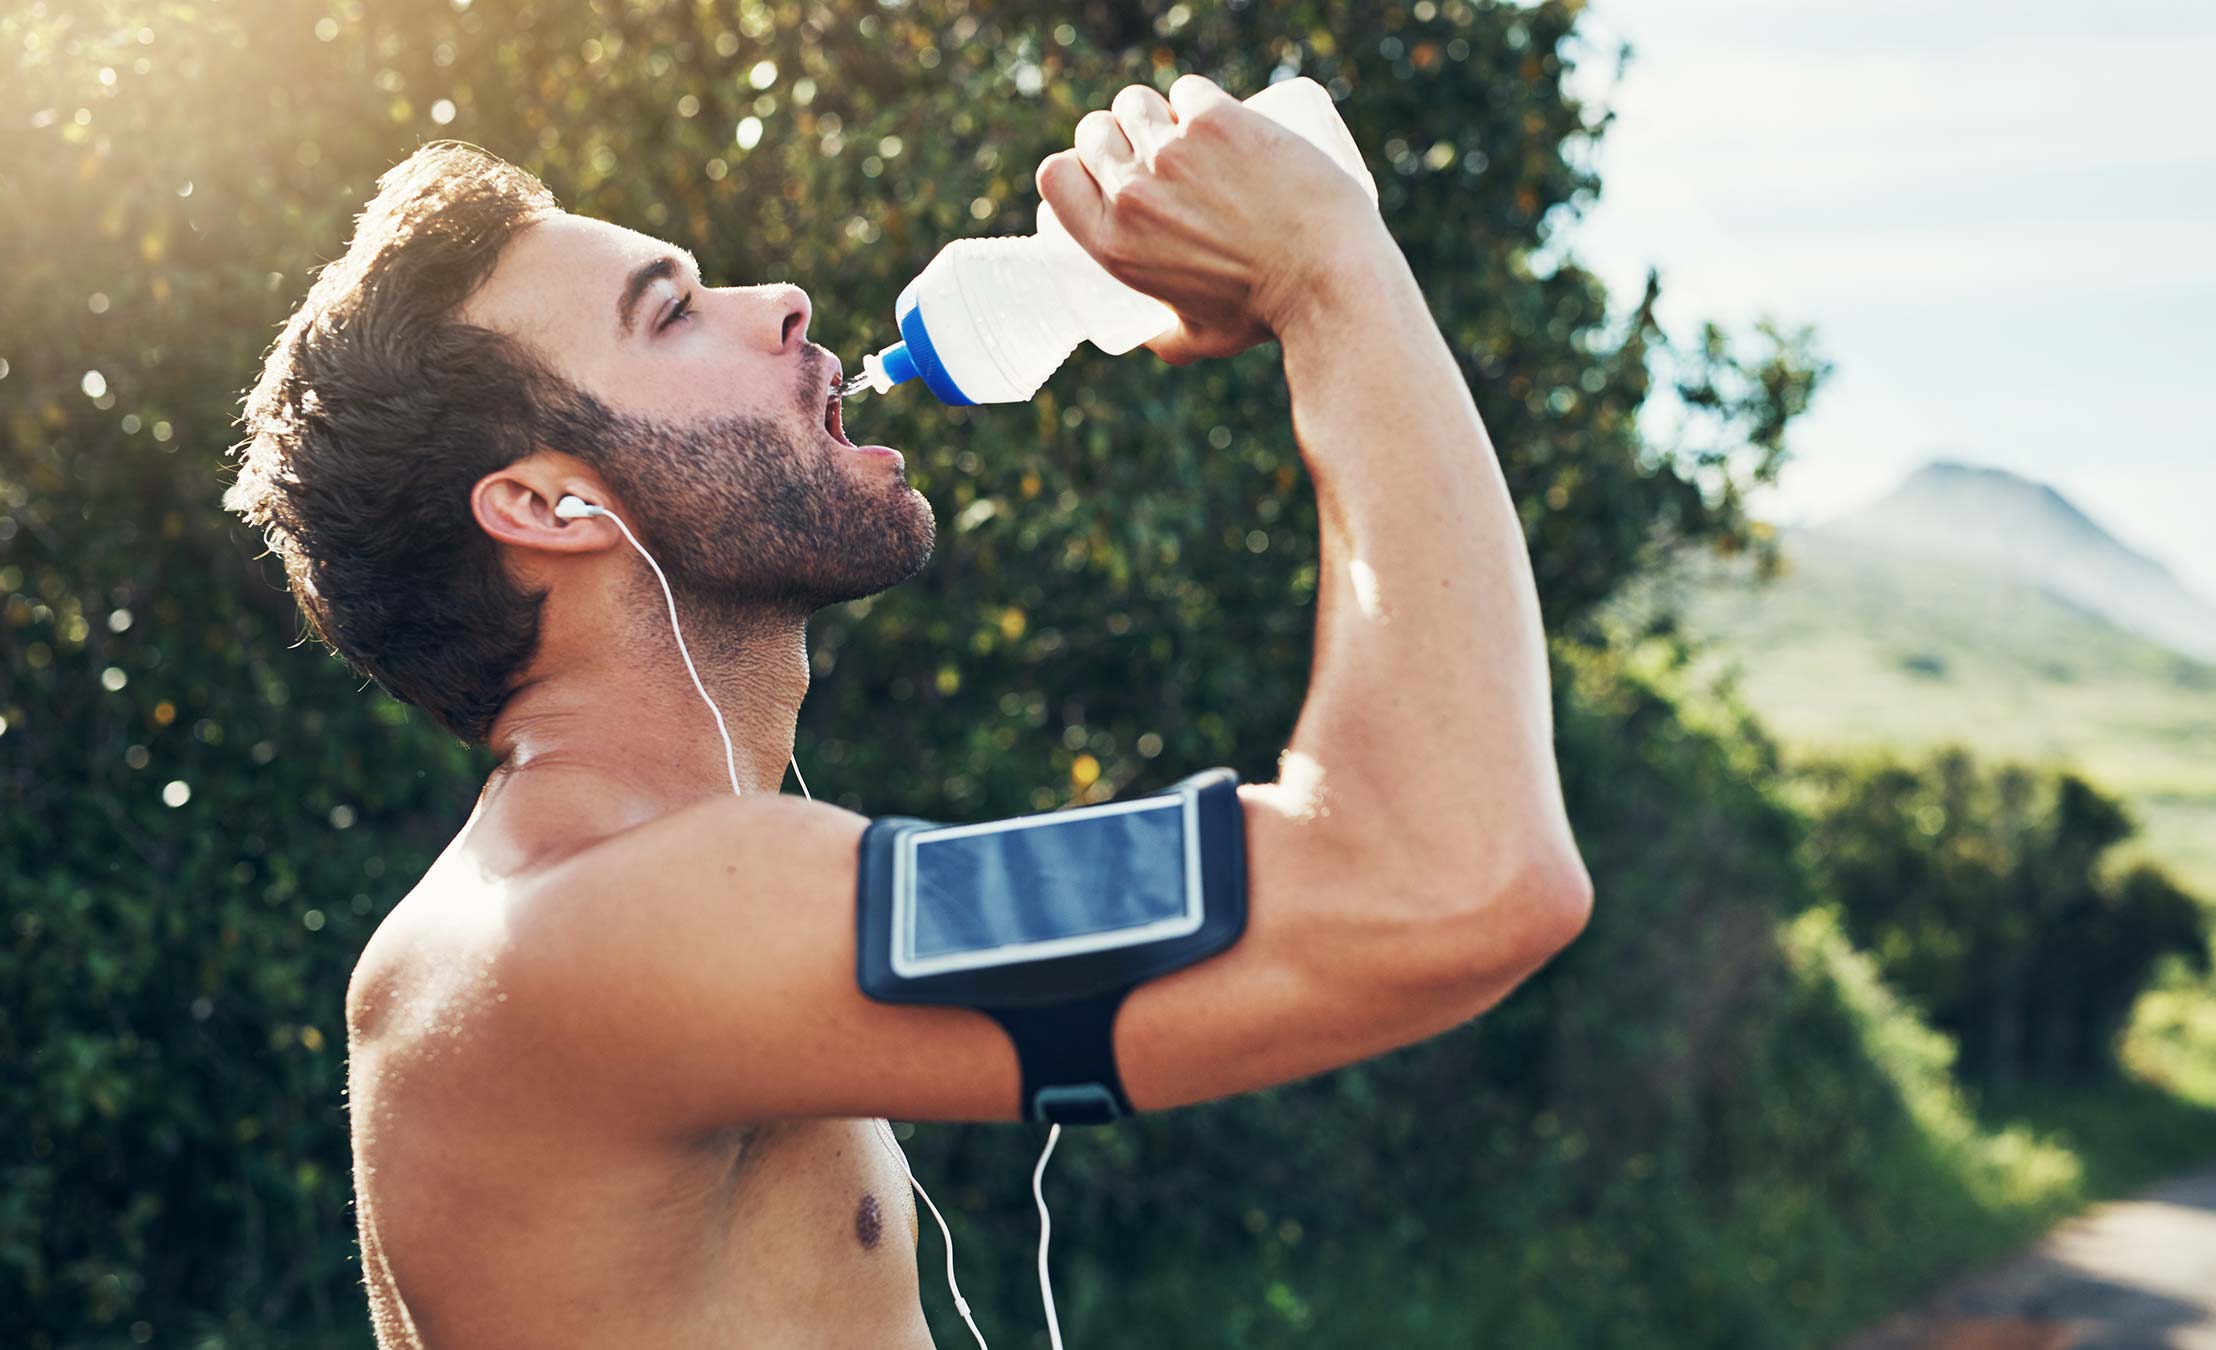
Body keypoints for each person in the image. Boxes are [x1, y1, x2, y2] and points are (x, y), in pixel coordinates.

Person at [227, 73, 1591, 1349]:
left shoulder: (567, 910)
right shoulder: (614, 916)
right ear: (546, 505)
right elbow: (1453, 873)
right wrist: (1333, 271)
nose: (784, 302)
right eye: (671, 311)